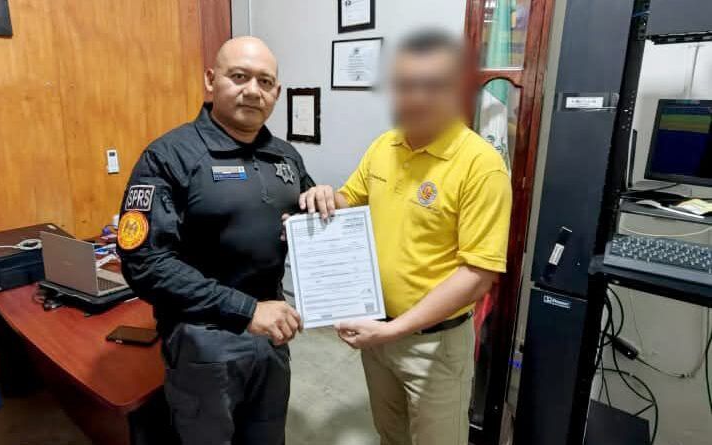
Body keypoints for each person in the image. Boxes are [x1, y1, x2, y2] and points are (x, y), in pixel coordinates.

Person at [298, 30, 513, 445]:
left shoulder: (481, 166)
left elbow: (477, 275)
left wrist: (394, 331)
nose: (417, 97)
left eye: (432, 84)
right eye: (406, 84)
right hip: (377, 330)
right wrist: (324, 196)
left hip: (434, 346)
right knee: (390, 434)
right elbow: (348, 200)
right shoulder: (385, 146)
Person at [117, 36, 315, 445]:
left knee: (267, 436)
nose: (253, 91)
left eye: (265, 81)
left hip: (274, 329)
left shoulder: (286, 156)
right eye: (239, 76)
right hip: (204, 341)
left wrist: (318, 207)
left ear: (277, 92)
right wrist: (246, 311)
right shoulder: (168, 156)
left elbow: (304, 214)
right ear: (211, 80)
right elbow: (144, 263)